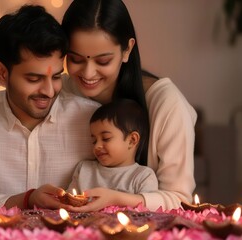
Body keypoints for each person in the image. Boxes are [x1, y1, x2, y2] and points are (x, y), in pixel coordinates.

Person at [0, 5, 100, 210]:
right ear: (2, 73)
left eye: (55, 77)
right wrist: (27, 200)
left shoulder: (91, 118)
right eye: (34, 78)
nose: (48, 91)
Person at [61, 0, 197, 211]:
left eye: (103, 61)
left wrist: (118, 200)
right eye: (75, 59)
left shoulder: (167, 105)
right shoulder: (61, 91)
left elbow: (180, 201)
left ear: (127, 50)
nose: (88, 74)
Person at [67, 99, 158, 209]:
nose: (97, 146)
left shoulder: (143, 176)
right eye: (94, 141)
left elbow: (149, 211)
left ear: (132, 140)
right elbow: (69, 202)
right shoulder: (84, 170)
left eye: (106, 138)